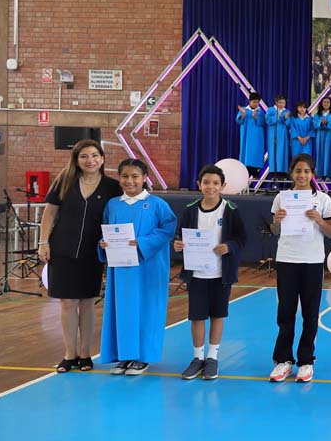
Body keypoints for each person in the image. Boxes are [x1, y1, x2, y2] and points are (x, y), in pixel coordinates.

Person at [37, 139, 123, 373]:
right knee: (67, 302)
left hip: (93, 253)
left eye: (94, 155)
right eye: (84, 156)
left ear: (102, 159)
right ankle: (69, 354)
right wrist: (43, 243)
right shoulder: (64, 181)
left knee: (86, 303)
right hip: (62, 250)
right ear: (76, 160)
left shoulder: (112, 187)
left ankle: (85, 354)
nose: (90, 160)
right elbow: (49, 213)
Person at [98, 158, 177, 376]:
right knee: (122, 310)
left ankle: (142, 357)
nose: (129, 181)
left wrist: (142, 243)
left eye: (135, 176)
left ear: (144, 178)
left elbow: (168, 229)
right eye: (125, 176)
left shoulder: (157, 204)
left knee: (147, 310)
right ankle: (124, 355)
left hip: (148, 267)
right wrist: (103, 243)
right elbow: (106, 230)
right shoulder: (113, 204)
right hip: (121, 269)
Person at [172, 164, 248, 380]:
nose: (211, 187)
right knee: (197, 317)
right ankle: (197, 358)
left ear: (223, 185)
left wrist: (228, 246)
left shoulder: (230, 209)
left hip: (221, 274)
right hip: (196, 274)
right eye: (206, 182)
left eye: (215, 183)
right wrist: (177, 244)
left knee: (217, 315)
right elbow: (180, 236)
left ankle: (212, 357)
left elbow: (242, 238)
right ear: (199, 184)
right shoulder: (190, 209)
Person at [268, 154, 331, 382]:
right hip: (287, 259)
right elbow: (274, 231)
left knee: (310, 313)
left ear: (312, 174)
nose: (302, 175)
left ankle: (306, 361)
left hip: (312, 261)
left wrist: (319, 220)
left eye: (306, 171)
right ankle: (283, 360)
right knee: (285, 312)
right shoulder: (281, 198)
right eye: (298, 170)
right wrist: (276, 221)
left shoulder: (323, 199)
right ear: (291, 173)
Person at [235, 91, 267, 176]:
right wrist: (243, 114)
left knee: (256, 153)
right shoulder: (244, 110)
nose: (256, 104)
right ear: (249, 101)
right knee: (247, 153)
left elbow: (263, 123)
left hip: (257, 136)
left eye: (257, 102)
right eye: (254, 102)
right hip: (247, 135)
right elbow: (238, 121)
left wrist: (256, 118)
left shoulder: (260, 112)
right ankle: (246, 171)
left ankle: (255, 171)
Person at [265, 95, 291, 181]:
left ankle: (282, 173)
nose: (282, 104)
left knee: (283, 152)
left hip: (283, 135)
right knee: (273, 152)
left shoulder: (286, 111)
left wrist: (286, 118)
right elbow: (268, 120)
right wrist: (278, 116)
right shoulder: (271, 110)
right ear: (276, 102)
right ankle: (273, 173)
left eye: (283, 103)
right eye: (280, 102)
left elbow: (289, 124)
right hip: (273, 134)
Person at [313, 96, 331, 180]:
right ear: (321, 103)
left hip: (330, 135)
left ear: (330, 104)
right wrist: (321, 123)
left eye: (328, 102)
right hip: (320, 136)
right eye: (324, 102)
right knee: (320, 154)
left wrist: (327, 123)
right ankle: (320, 174)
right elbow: (314, 124)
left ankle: (328, 175)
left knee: (329, 154)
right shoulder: (317, 114)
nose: (326, 104)